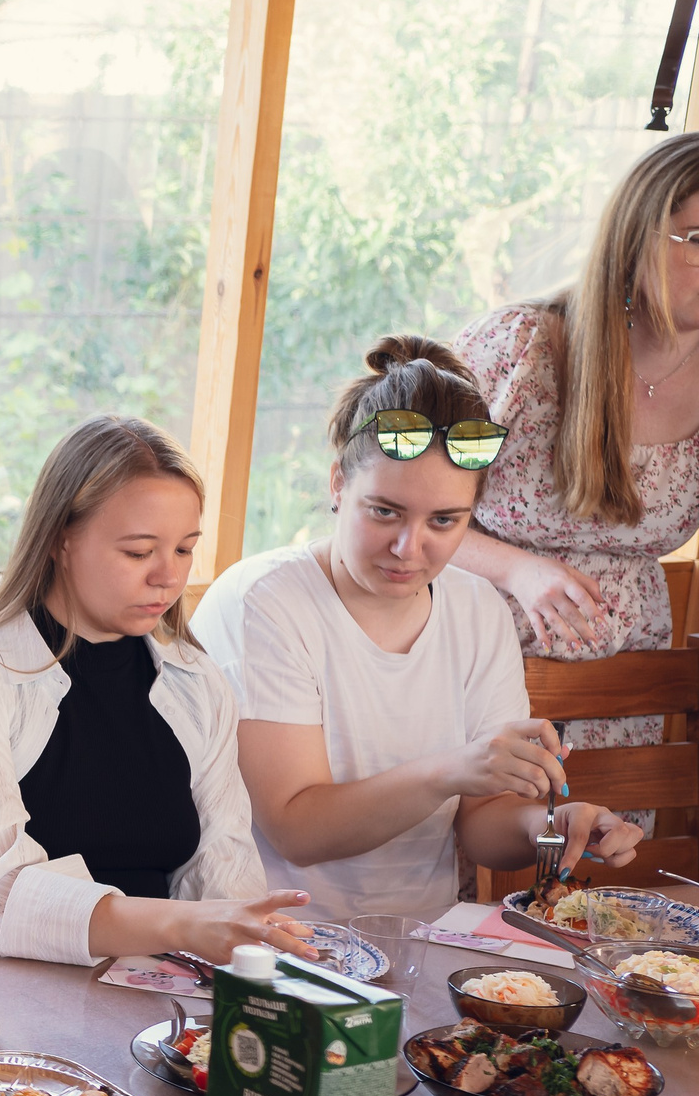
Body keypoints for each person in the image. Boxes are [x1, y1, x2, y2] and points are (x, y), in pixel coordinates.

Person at [192, 337, 643, 919]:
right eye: (385, 511)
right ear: (337, 484)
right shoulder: (263, 602)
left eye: (444, 520)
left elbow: (482, 824)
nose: (410, 548)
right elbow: (296, 829)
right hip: (265, 941)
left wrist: (554, 825)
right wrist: (452, 770)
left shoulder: (477, 610)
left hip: (421, 938)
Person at [0, 416, 314, 969]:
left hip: (155, 983)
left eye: (184, 549)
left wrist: (245, 950)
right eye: (138, 552)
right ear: (60, 539)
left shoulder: (197, 681)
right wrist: (180, 924)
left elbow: (223, 872)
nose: (168, 577)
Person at [451, 133, 699, 771]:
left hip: (624, 695)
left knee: (597, 839)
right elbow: (384, 506)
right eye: (698, 239)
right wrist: (517, 570)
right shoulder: (520, 349)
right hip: (466, 673)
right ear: (636, 237)